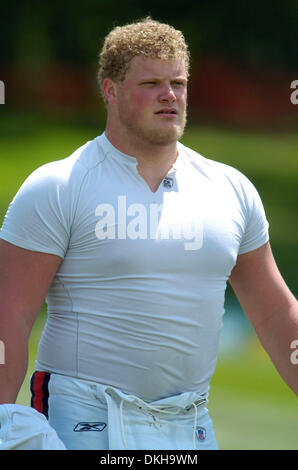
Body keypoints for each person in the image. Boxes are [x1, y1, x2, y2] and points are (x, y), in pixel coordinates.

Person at [0, 17, 297, 450]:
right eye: (151, 83)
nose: (169, 95)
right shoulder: (59, 186)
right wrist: (6, 422)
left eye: (178, 82)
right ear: (111, 90)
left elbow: (274, 313)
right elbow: (10, 313)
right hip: (82, 423)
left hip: (191, 427)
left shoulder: (231, 190)